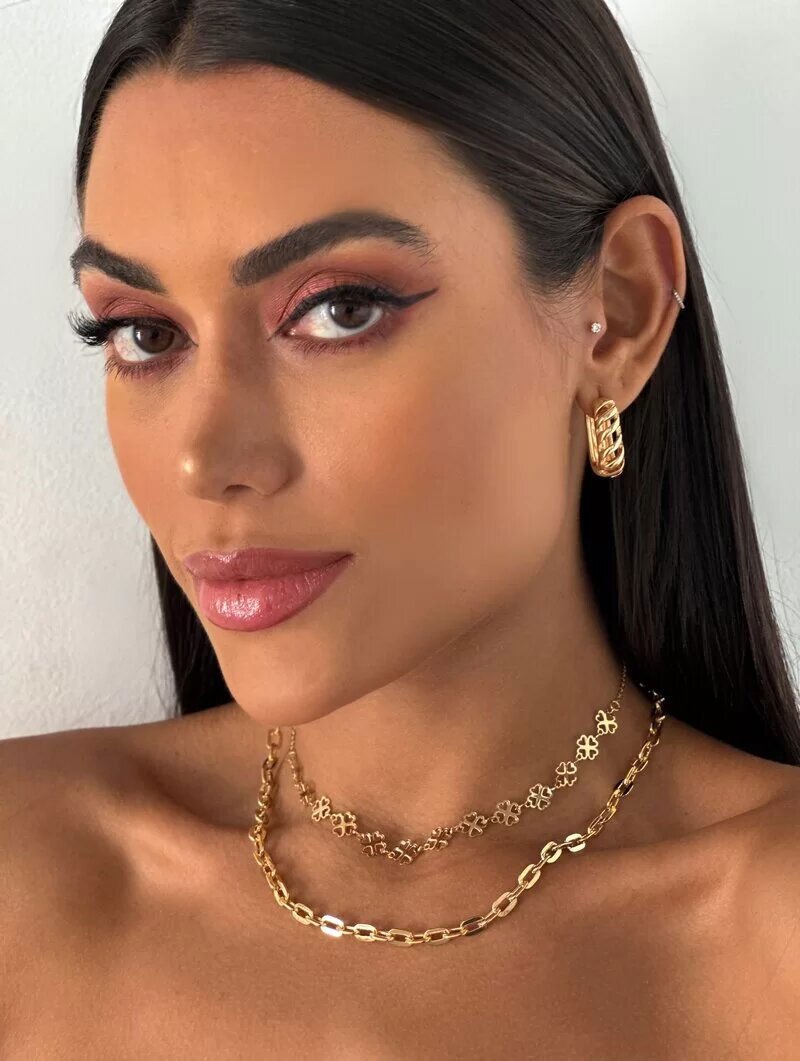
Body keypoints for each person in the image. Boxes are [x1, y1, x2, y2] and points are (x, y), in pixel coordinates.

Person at [3, 0, 799, 1055]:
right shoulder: (24, 874)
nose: (206, 458)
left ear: (620, 308)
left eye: (340, 309)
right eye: (145, 333)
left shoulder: (771, 932)